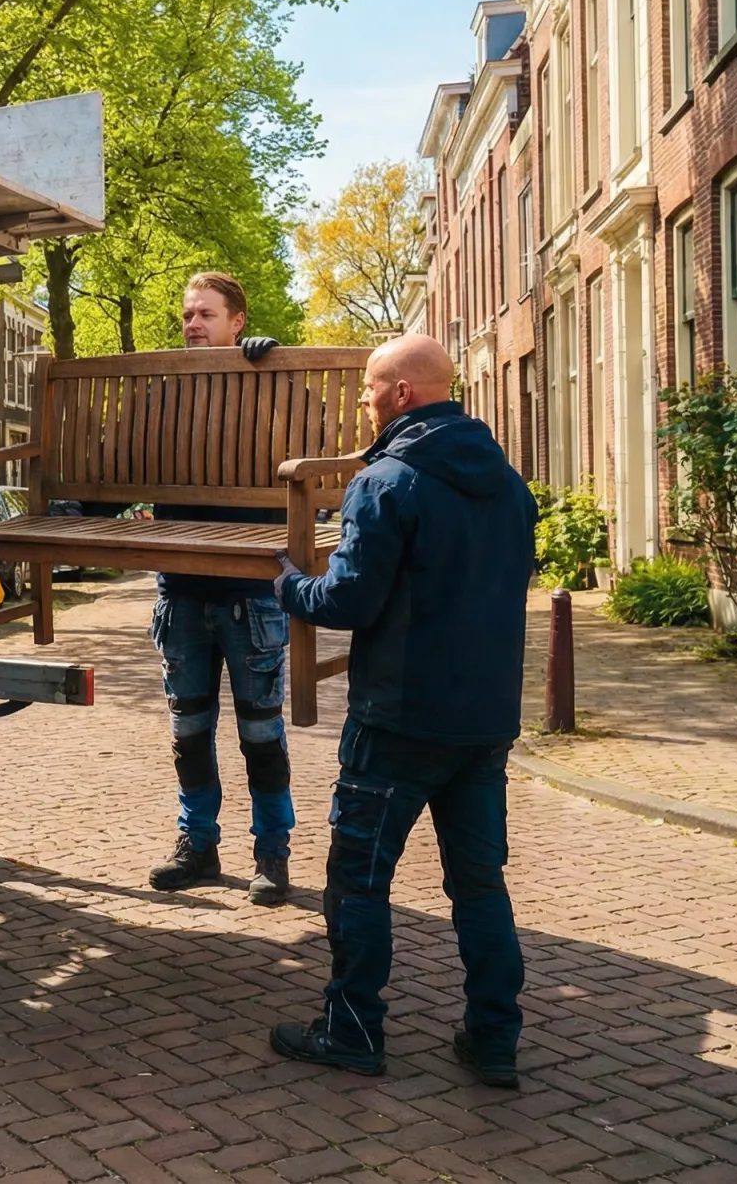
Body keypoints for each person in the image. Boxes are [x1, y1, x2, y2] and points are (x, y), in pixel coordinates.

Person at [269, 334, 537, 1087]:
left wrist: (288, 582)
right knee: (479, 885)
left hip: (398, 721)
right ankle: (493, 1041)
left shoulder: (388, 481)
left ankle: (351, 1030)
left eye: (367, 388)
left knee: (358, 879)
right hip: (485, 722)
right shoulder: (511, 484)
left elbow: (349, 600)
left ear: (402, 395)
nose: (361, 400)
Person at [146, 271, 294, 906]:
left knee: (261, 732)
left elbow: (307, 441)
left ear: (238, 321)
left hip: (250, 590)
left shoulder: (269, 385)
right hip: (181, 589)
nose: (193, 324)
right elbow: (124, 464)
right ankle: (198, 845)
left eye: (206, 314)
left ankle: (271, 853)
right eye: (188, 315)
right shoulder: (165, 395)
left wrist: (268, 369)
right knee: (189, 731)